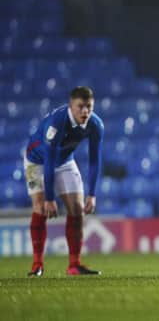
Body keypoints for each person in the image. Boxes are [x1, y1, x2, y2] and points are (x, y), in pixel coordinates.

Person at [24, 86, 104, 276]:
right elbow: (49, 161)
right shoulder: (57, 123)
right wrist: (50, 198)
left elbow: (95, 160)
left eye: (89, 107)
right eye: (80, 107)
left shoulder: (96, 125)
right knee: (41, 207)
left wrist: (92, 194)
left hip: (65, 161)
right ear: (71, 106)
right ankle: (37, 265)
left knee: (77, 209)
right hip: (36, 161)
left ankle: (74, 265)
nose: (85, 111)